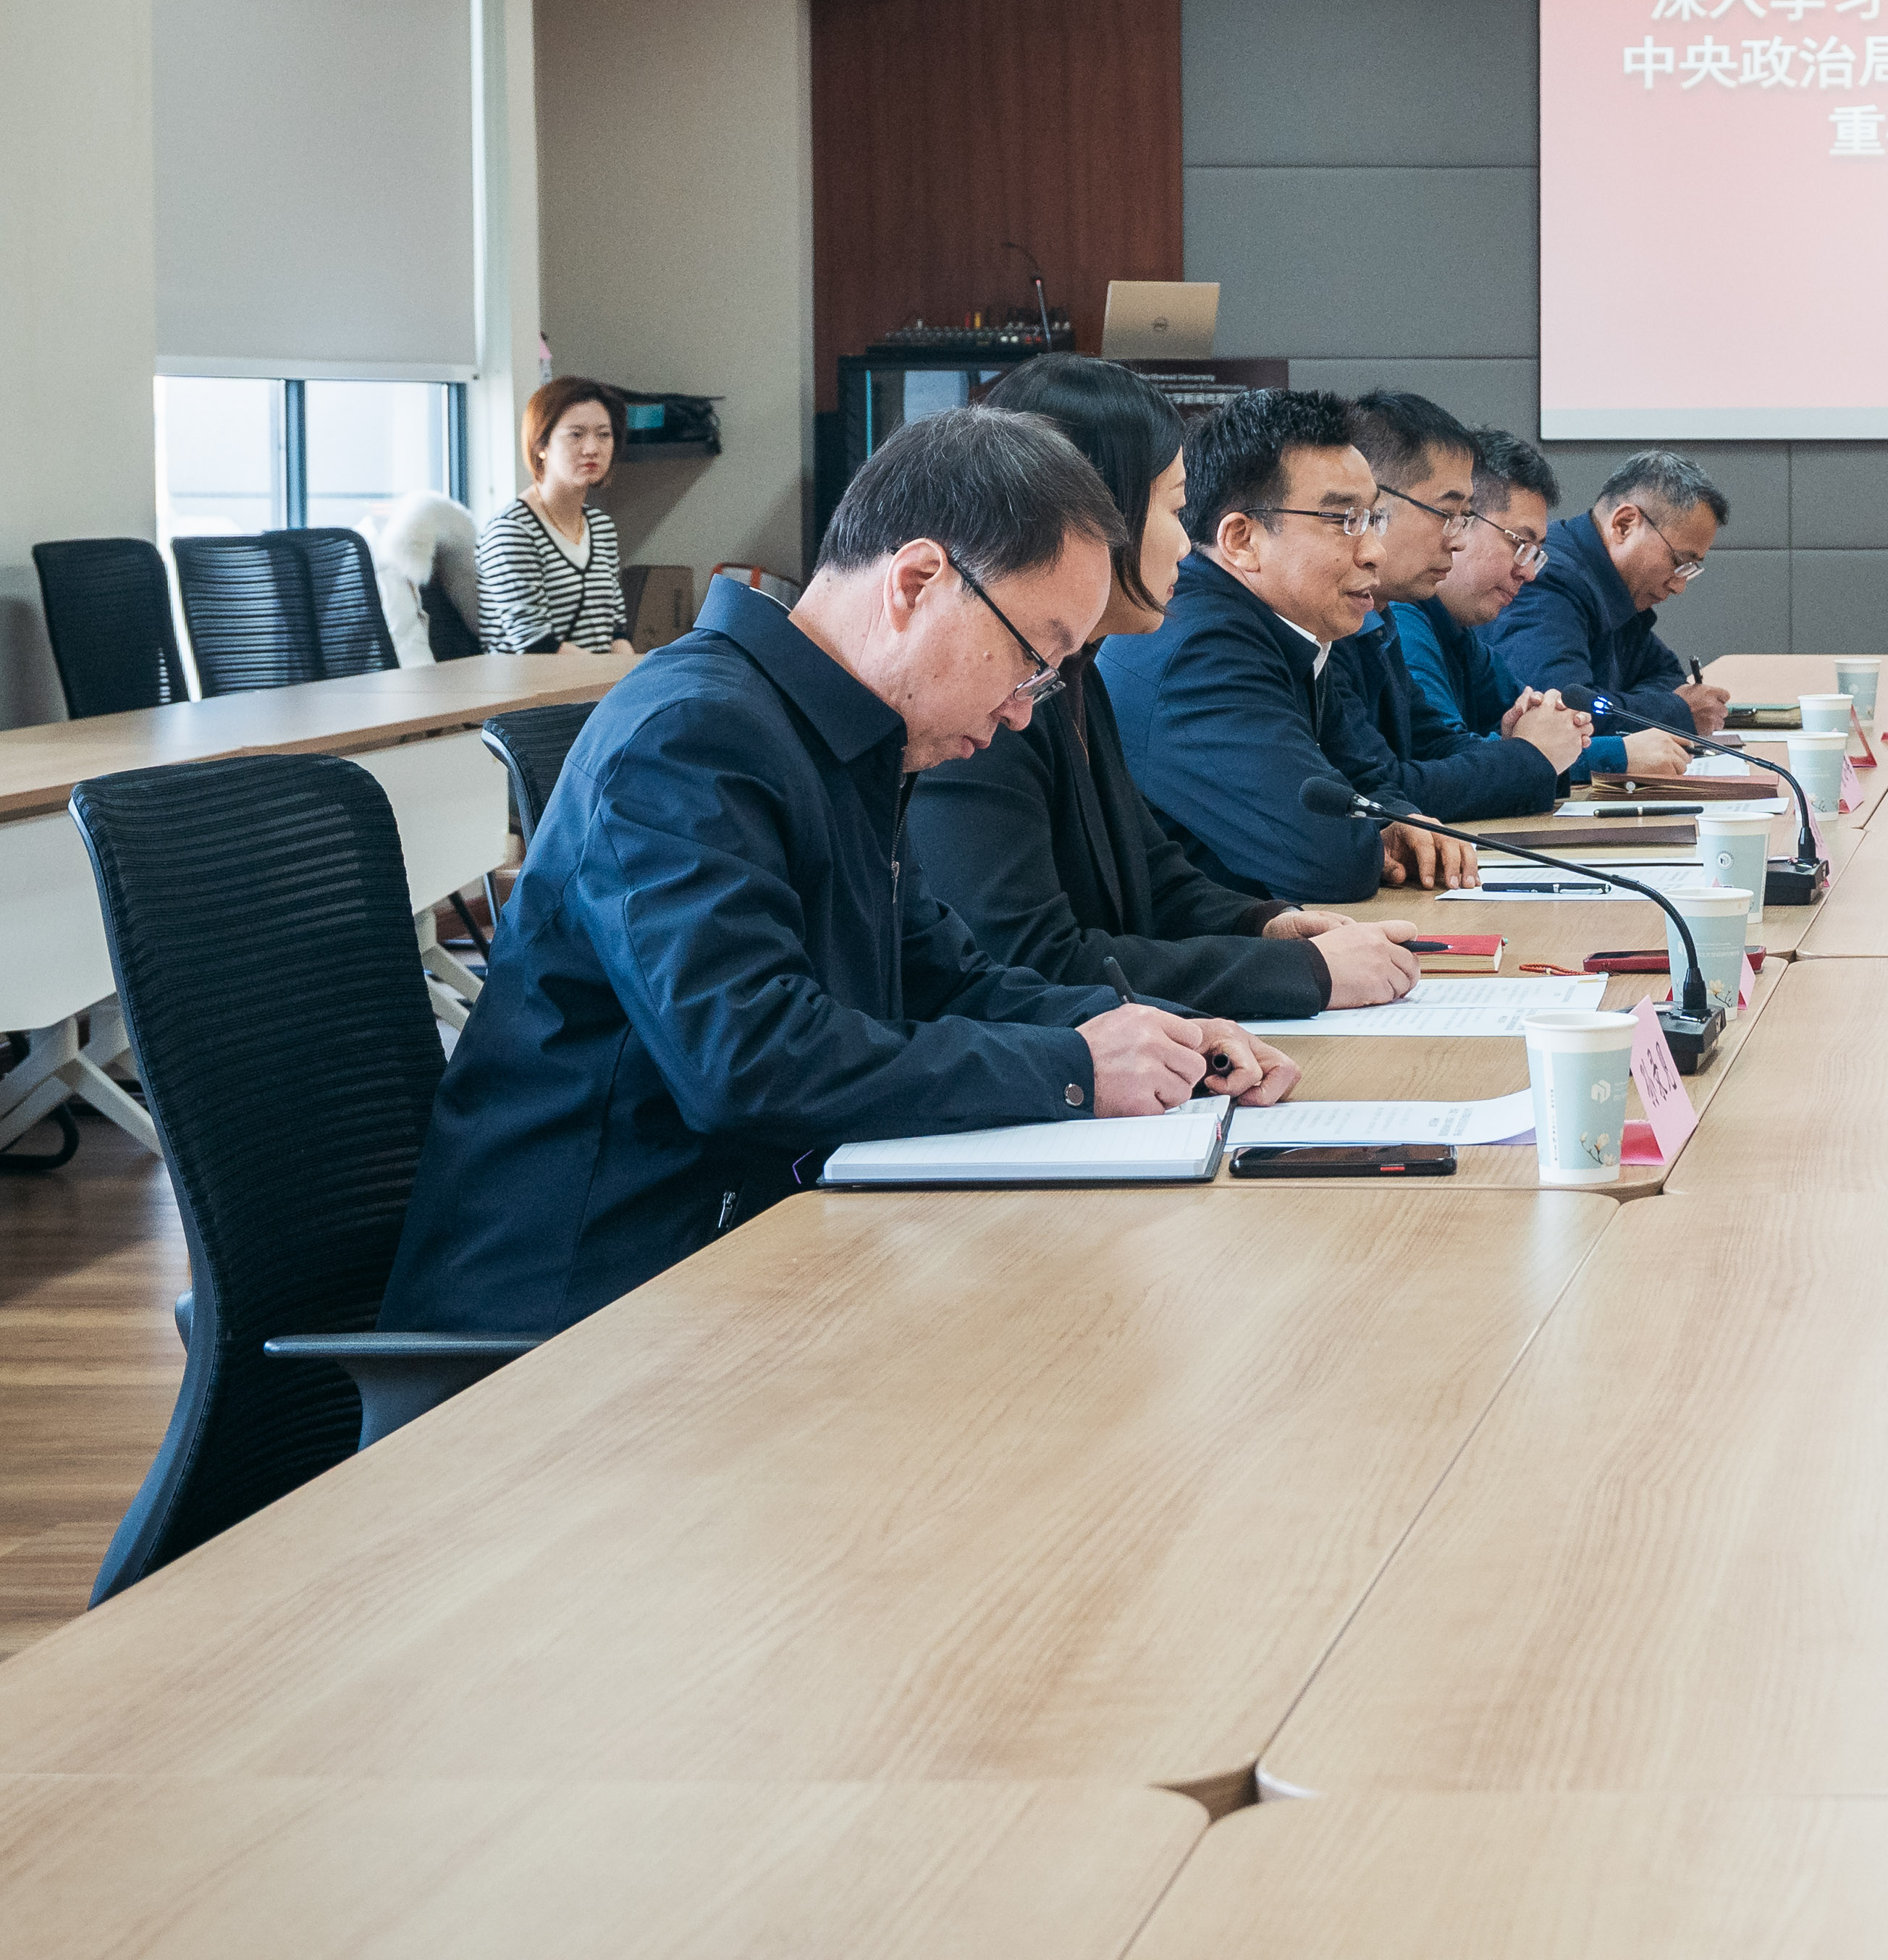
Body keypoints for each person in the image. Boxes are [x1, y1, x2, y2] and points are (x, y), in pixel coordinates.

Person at [378, 407, 1297, 1339]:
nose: (1024, 711)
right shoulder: (691, 735)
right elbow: (748, 1059)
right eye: (1032, 658)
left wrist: (1157, 1033)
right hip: (574, 1319)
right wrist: (1075, 1068)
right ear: (918, 582)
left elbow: (946, 980)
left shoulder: (841, 737)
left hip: (742, 1258)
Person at [910, 355, 1419, 1023]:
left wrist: (1267, 925)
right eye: (1176, 510)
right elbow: (1027, 962)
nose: (1186, 544)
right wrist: (1302, 973)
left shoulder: (1076, 671)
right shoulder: (986, 694)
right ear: (1087, 514)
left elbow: (1153, 876)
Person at [1104, 387, 1482, 908]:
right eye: (1344, 521)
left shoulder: (1287, 626)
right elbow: (1328, 860)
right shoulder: (1202, 650)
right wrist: (1377, 835)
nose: (1374, 551)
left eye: (1372, 519)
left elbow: (1365, 778)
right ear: (1242, 540)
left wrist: (1397, 821)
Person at [1332, 390, 1593, 817]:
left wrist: (1527, 748)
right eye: (1449, 515)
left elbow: (1432, 745)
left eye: (1465, 518)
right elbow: (1384, 790)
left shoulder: (1381, 620)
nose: (1457, 539)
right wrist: (1530, 756)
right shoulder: (1359, 623)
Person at [1399, 429, 1692, 790]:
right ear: (1459, 523)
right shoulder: (1403, 622)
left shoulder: (1458, 634)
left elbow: (1539, 732)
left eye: (1536, 553)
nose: (1529, 573)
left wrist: (1532, 742)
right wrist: (1615, 755)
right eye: (1520, 545)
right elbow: (1444, 761)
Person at [1490, 448, 1728, 739]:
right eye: (1679, 562)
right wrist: (1675, 711)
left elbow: (1667, 677)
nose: (1679, 586)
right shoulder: (1547, 581)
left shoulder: (1617, 587)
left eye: (1690, 570)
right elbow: (1564, 712)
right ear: (1624, 524)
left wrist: (1616, 704)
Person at [477, 376, 633, 654]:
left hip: (599, 679)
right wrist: (610, 674)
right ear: (542, 445)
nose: (592, 449)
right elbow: (536, 646)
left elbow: (617, 632)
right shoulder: (512, 531)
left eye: (603, 435)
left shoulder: (601, 526)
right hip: (536, 680)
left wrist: (633, 673)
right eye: (576, 435)